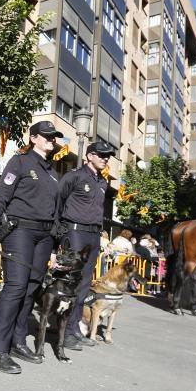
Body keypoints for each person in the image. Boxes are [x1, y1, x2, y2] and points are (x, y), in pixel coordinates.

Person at [0, 120, 63, 374]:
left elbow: (56, 212)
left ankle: (17, 342)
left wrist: (54, 246)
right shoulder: (20, 162)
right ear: (34, 138)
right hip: (20, 231)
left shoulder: (52, 171)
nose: (52, 141)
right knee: (16, 288)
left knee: (31, 289)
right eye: (47, 137)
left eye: (54, 137)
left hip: (44, 235)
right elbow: (1, 196)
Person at [55, 140, 115, 351]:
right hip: (75, 231)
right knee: (71, 282)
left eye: (107, 156)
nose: (105, 158)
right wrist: (58, 235)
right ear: (89, 155)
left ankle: (74, 329)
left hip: (93, 235)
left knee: (83, 284)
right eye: (101, 155)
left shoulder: (102, 182)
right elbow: (58, 202)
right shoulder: (74, 176)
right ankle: (63, 332)